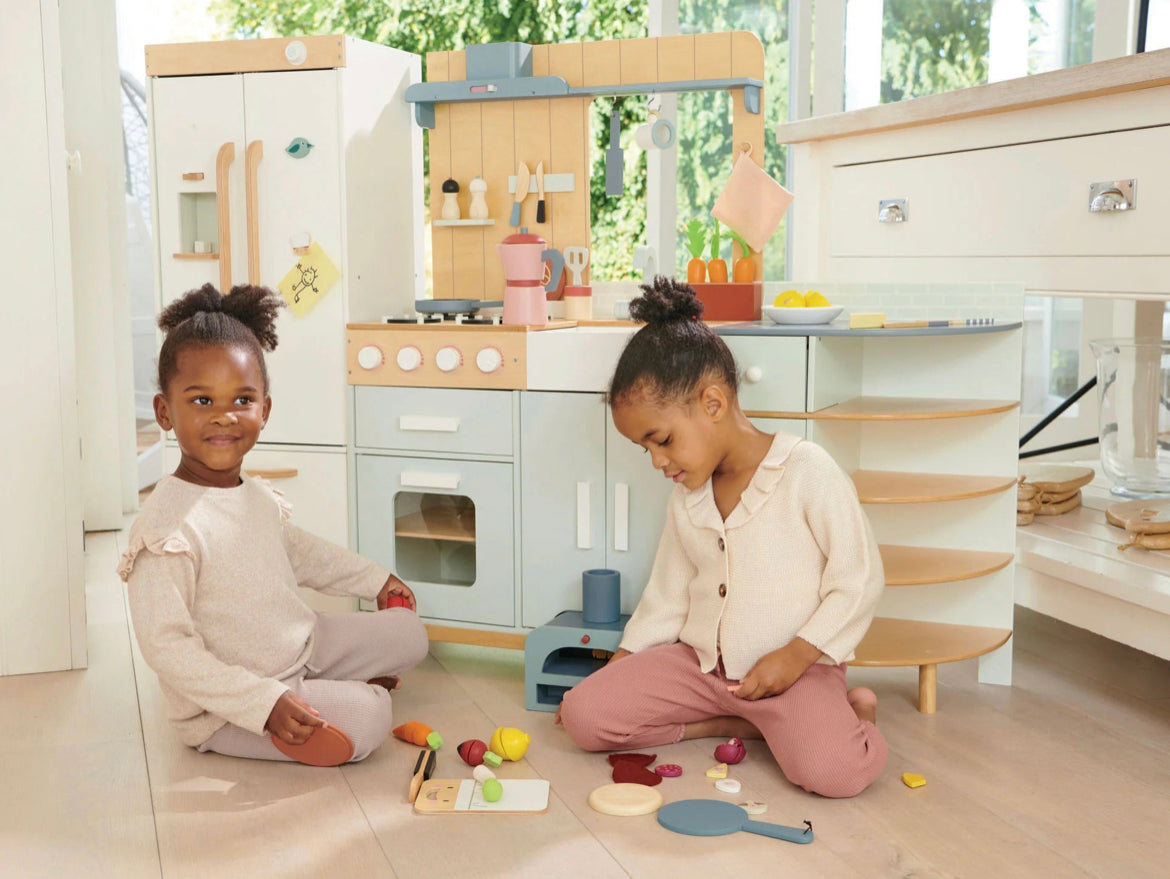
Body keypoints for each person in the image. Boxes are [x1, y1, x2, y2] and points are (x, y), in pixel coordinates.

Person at [557, 276, 887, 798]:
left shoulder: (807, 471)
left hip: (793, 671)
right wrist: (623, 665)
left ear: (713, 403)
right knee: (583, 715)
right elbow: (668, 593)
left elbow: (858, 580)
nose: (658, 461)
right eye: (646, 450)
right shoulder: (688, 497)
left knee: (835, 774)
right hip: (700, 670)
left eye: (661, 440)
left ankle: (857, 714)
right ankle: (736, 724)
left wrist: (798, 655)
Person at [118, 283, 427, 765]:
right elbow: (167, 648)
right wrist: (264, 703)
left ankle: (324, 691)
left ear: (265, 409)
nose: (224, 417)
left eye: (241, 400)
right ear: (164, 411)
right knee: (371, 716)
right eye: (202, 401)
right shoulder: (164, 530)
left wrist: (376, 580)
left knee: (410, 633)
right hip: (231, 705)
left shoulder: (256, 495)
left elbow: (301, 552)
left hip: (300, 644)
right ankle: (320, 704)